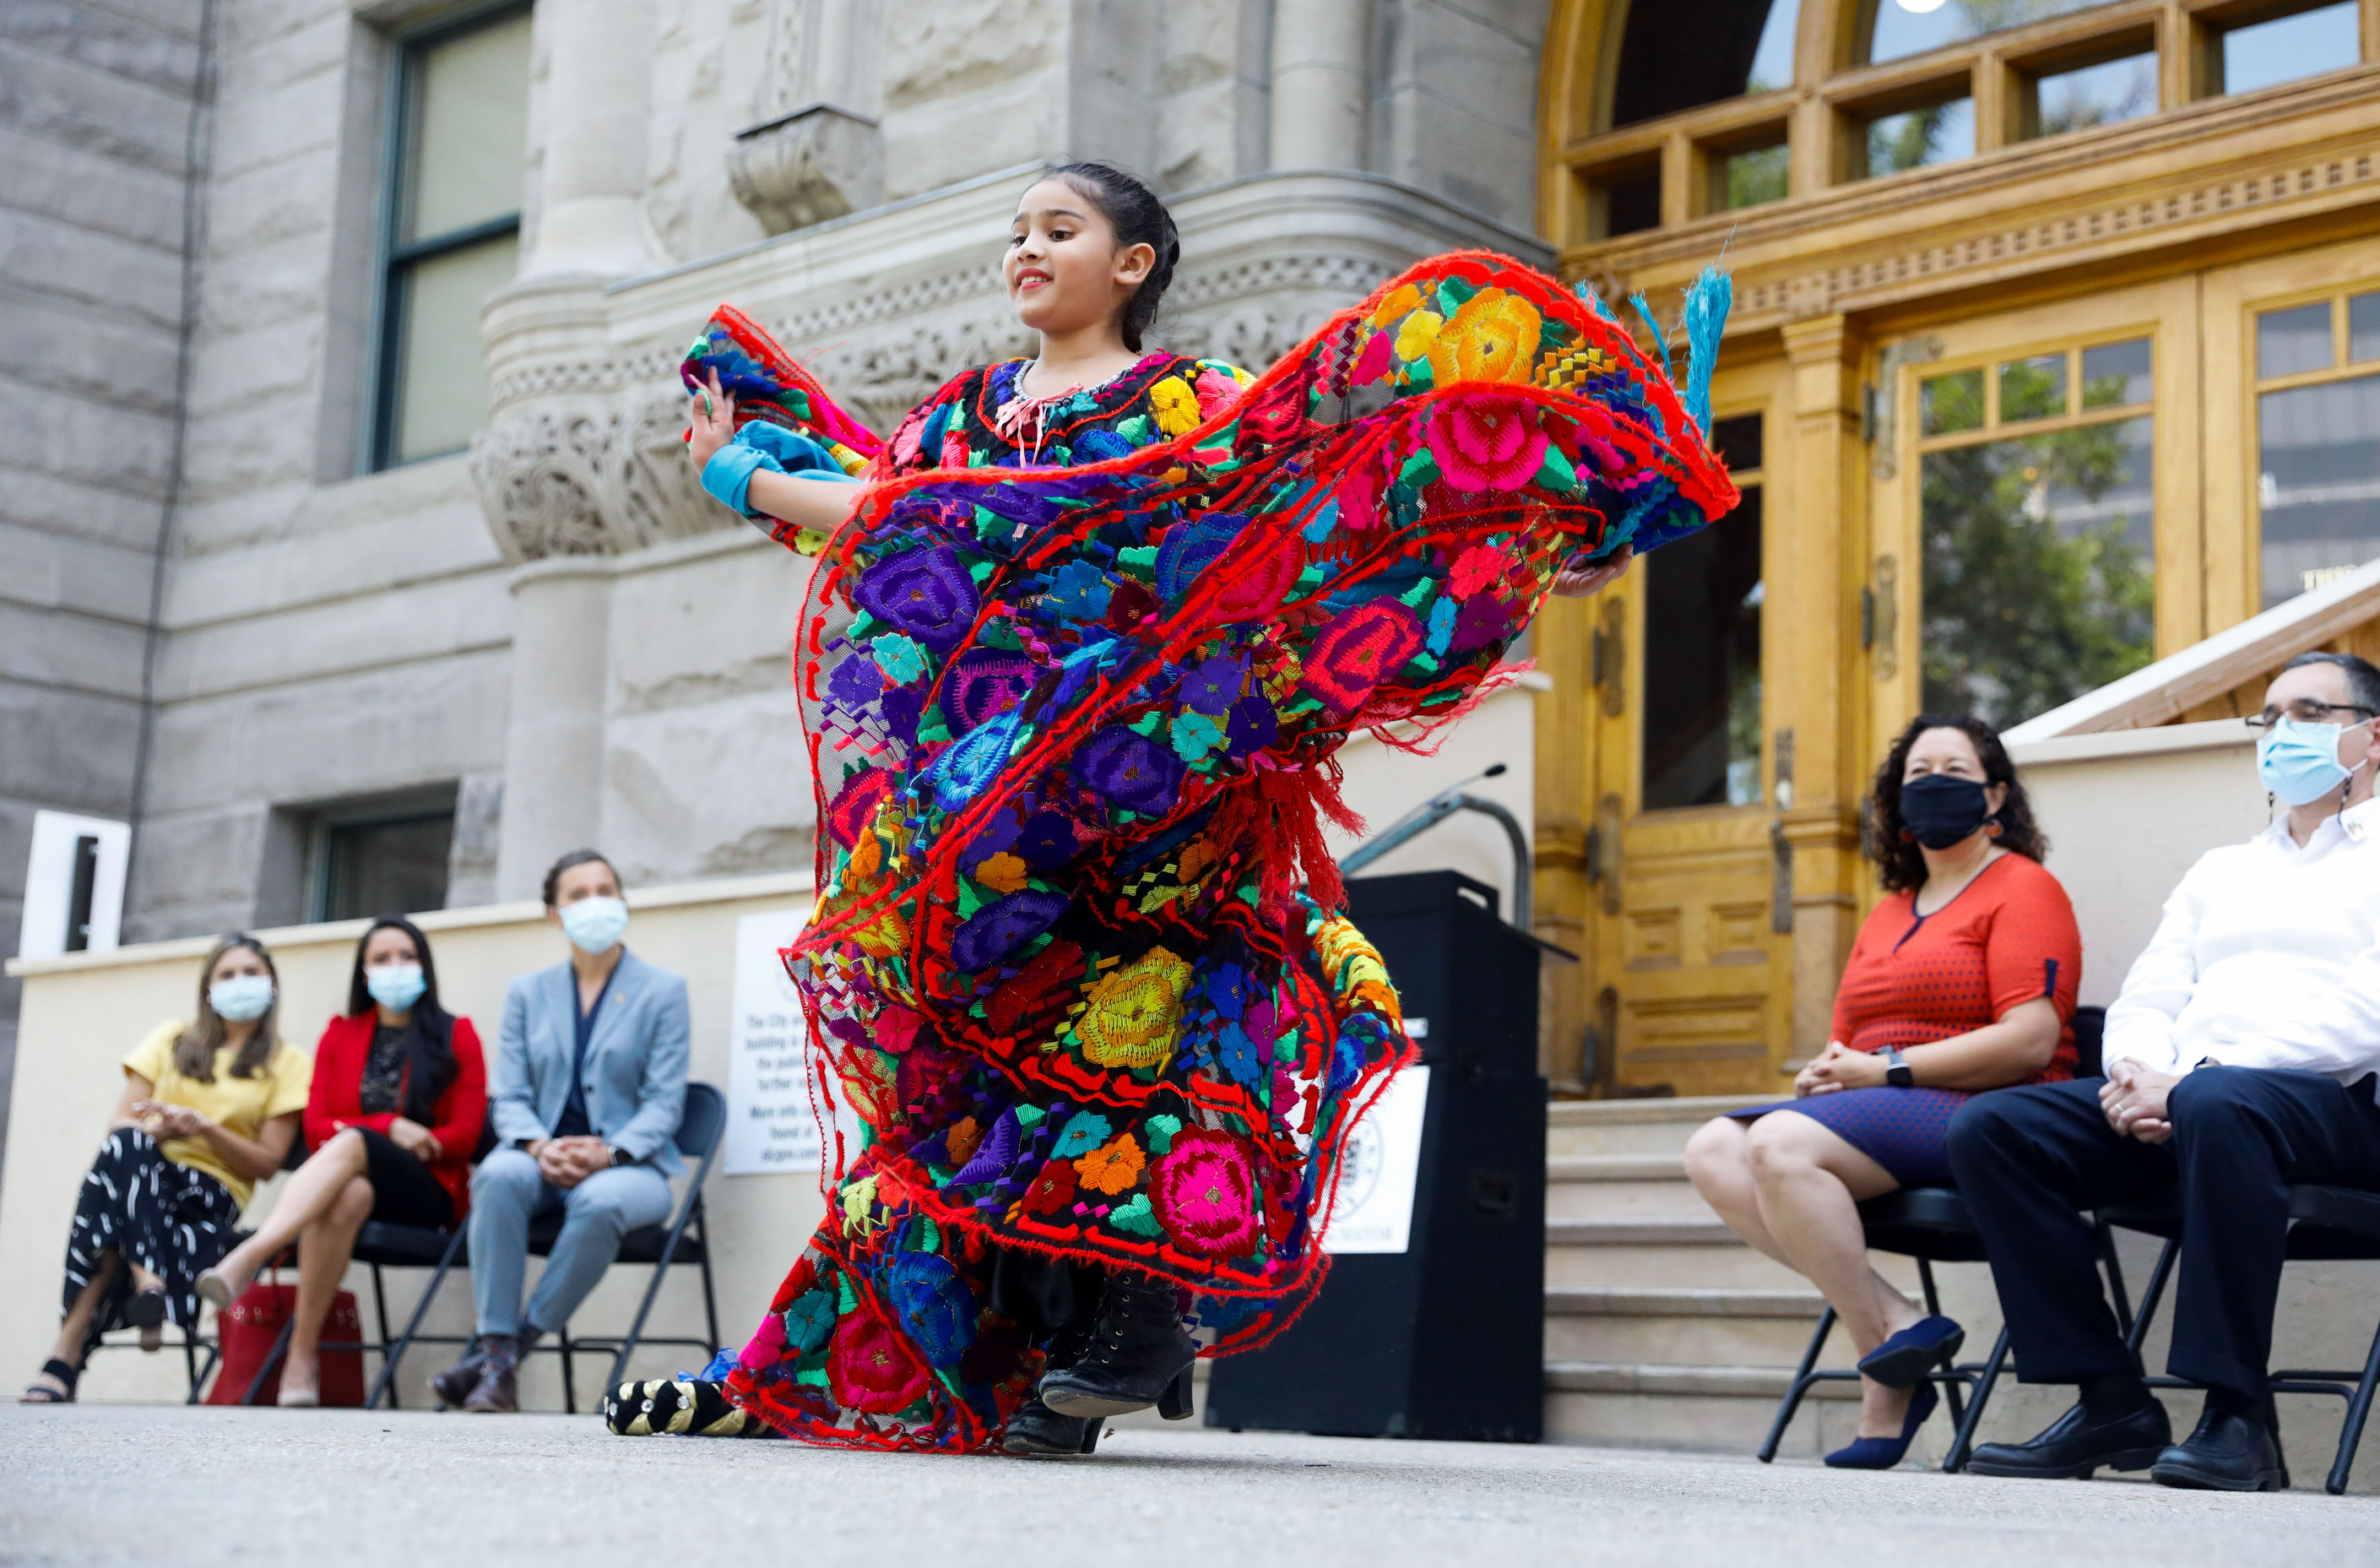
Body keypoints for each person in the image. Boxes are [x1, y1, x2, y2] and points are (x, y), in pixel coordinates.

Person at [600, 160, 1737, 1454]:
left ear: (1132, 266)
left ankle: (1131, 1314)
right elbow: (897, 529)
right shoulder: (962, 414)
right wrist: (755, 464)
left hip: (1147, 790)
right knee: (961, 1077)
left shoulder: (1192, 407)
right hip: (988, 809)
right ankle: (881, 1367)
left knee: (1147, 1041)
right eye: (1017, 230)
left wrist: (1592, 495)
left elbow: (1324, 513)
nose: (1026, 248)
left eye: (1059, 229)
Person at [1950, 651, 2380, 1492]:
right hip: (2193, 1109)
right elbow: (2147, 995)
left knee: (2219, 1096)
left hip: (2336, 1116)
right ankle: (2110, 1398)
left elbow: (2370, 1017)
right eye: (2267, 716)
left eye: (2307, 712)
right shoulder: (2223, 869)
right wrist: (2139, 1075)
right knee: (1995, 1127)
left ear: (2374, 734)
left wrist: (2192, 1077)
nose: (2280, 732)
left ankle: (2238, 1415)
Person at [1684, 714, 2082, 1468]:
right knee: (1711, 1148)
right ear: (1897, 806)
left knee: (1777, 1142)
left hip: (1990, 1115)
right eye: (1917, 774)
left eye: (1956, 772)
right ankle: (1893, 1327)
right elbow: (1851, 1040)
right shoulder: (1889, 912)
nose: (1934, 785)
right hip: (1884, 1109)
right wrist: (1828, 1072)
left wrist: (1889, 1069)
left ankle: (1886, 1380)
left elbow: (2030, 1039)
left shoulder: (2024, 889)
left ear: (1996, 797)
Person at [429, 849, 691, 1413]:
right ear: (554, 913)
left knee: (598, 1203)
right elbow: (513, 1095)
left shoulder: (663, 991)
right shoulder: (529, 992)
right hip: (539, 1157)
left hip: (630, 1168)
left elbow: (664, 1106)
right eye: (578, 894)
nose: (595, 902)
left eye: (606, 889)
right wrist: (538, 1146)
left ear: (623, 901)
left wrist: (608, 1152)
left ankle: (502, 1357)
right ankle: (497, 1346)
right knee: (497, 1174)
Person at [195, 915, 485, 1404]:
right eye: (381, 959)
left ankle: (253, 1253)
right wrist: (389, 1126)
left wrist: (385, 1136)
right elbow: (315, 1127)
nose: (395, 967)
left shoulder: (457, 1035)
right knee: (348, 1190)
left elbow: (465, 1136)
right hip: (357, 1187)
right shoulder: (340, 1034)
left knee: (349, 1143)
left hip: (428, 1194)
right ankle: (301, 1363)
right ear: (364, 973)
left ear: (425, 967)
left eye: (407, 957)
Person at [20, 934, 311, 1403]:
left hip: (211, 1196)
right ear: (207, 989)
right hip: (147, 1175)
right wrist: (166, 1133)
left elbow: (268, 1163)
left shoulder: (288, 1062)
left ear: (273, 985)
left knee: (111, 1213)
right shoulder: (171, 1039)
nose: (240, 983)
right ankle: (149, 1282)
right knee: (129, 1145)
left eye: (252, 973)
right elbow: (121, 1125)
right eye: (227, 974)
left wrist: (205, 1129)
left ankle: (65, 1355)